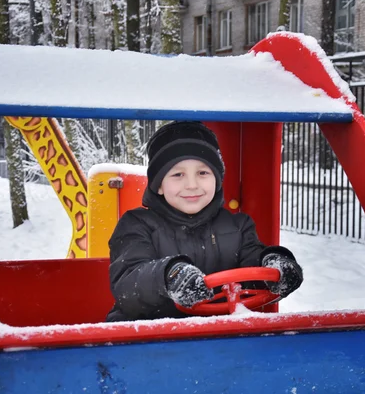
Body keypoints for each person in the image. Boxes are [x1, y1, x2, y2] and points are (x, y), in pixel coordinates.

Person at [106, 121, 303, 322]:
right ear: (159, 186)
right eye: (177, 174)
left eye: (203, 173)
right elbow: (128, 283)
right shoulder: (136, 225)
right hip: (146, 338)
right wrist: (169, 276)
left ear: (216, 180)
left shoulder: (237, 226)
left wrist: (273, 265)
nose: (192, 185)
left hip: (215, 336)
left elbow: (252, 267)